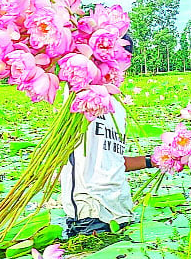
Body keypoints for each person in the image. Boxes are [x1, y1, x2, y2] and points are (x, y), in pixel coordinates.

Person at [60, 34, 155, 237]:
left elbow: (114, 161)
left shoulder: (118, 109)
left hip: (121, 211)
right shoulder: (80, 93)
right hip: (90, 215)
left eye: (123, 59)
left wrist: (153, 161)